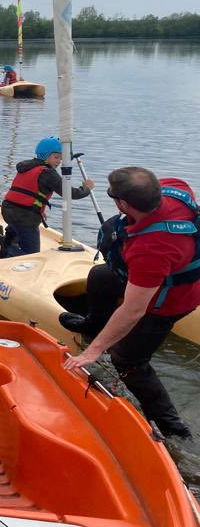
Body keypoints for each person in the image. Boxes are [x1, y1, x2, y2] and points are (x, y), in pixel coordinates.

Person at [61, 167, 198, 439]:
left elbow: (134, 310)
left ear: (123, 204)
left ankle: (172, 427)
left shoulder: (152, 250)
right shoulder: (177, 186)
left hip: (169, 301)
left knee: (127, 358)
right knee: (100, 275)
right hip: (157, 272)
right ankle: (94, 324)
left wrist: (94, 352)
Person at [1, 136, 94, 256]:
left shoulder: (27, 167)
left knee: (14, 231)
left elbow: (29, 192)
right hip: (25, 217)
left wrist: (36, 209)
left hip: (8, 209)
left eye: (61, 158)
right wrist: (87, 188)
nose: (59, 161)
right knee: (32, 253)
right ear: (44, 155)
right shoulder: (48, 173)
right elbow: (69, 193)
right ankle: (8, 254)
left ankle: (2, 249)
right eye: (56, 157)